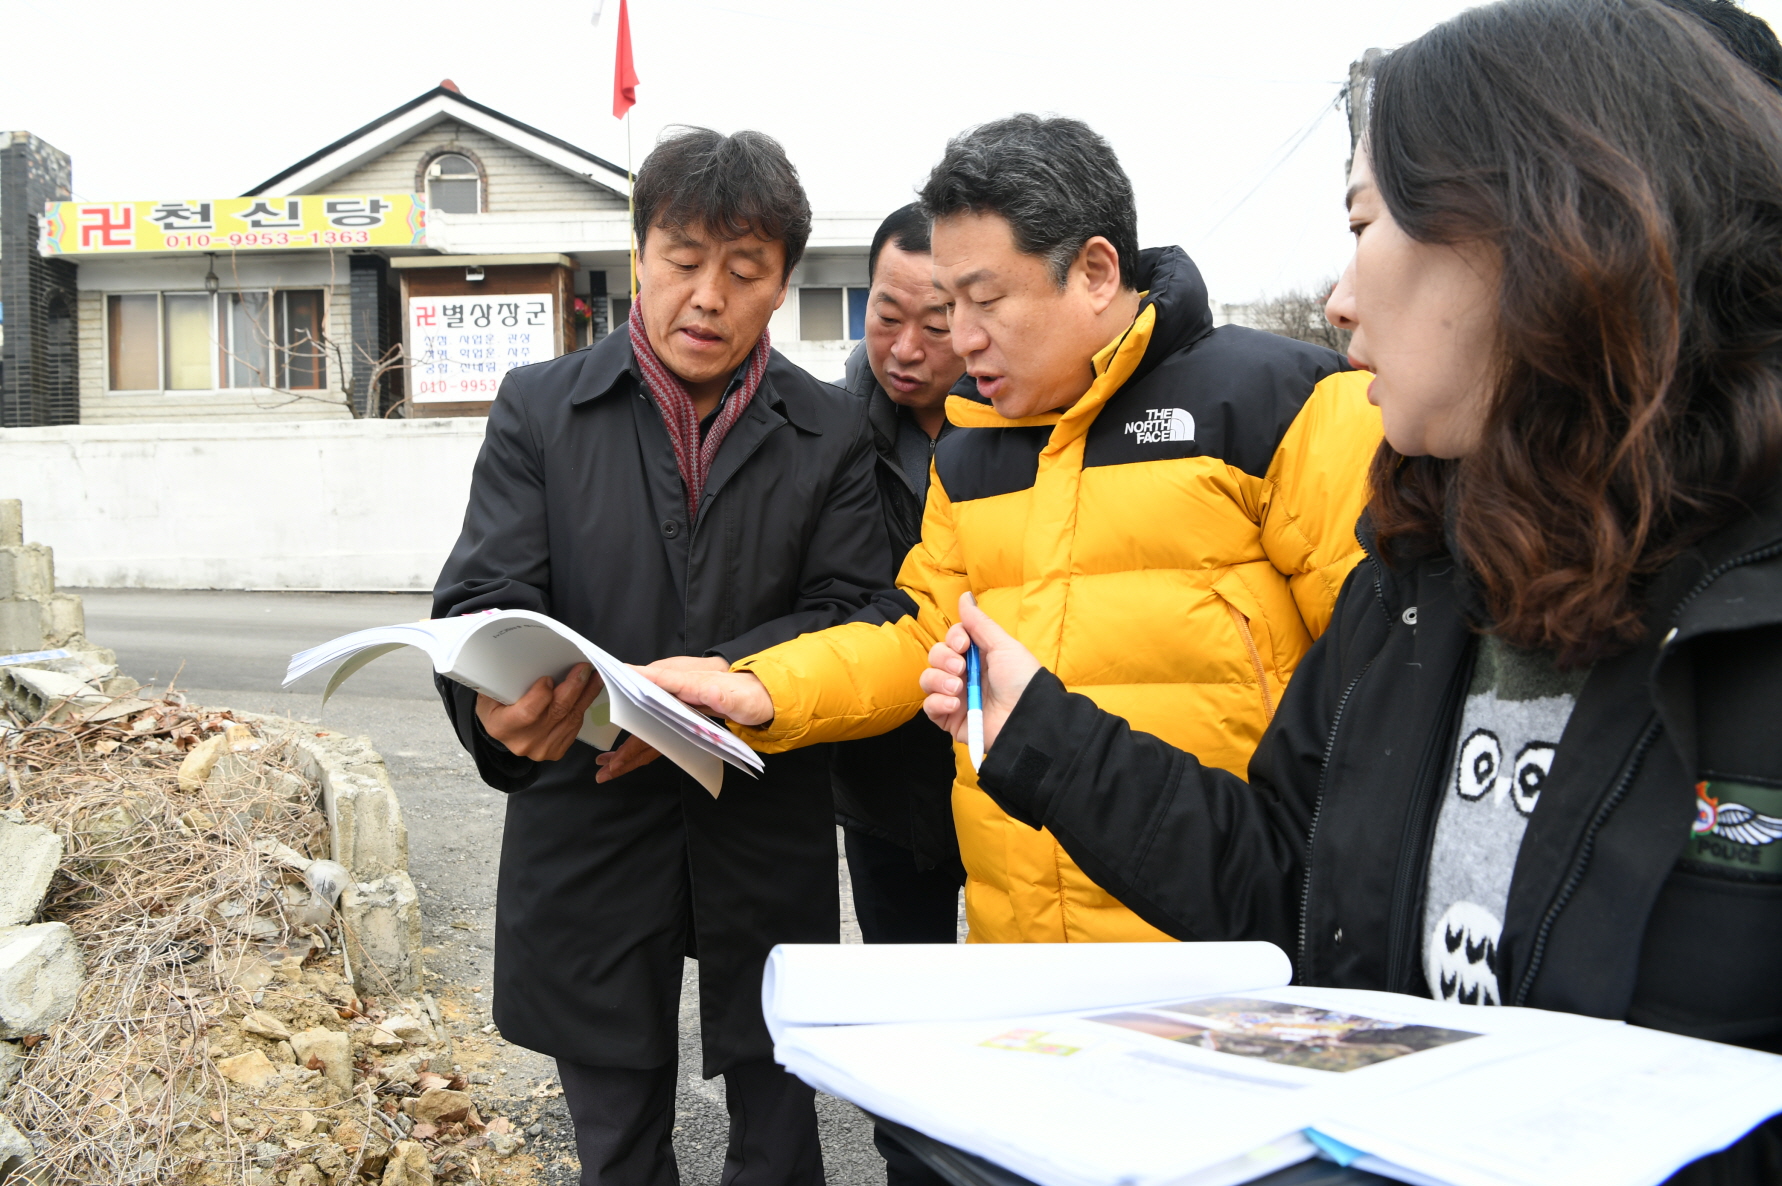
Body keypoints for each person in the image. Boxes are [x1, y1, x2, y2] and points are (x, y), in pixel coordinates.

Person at [915, 0, 1782, 1176]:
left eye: (1368, 222)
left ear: (1555, 232)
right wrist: (1047, 736)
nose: (1336, 299)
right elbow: (1289, 885)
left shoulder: (1746, 624)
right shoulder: (1419, 581)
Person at [649, 116, 1382, 948]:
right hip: (1023, 964)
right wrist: (763, 687)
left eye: (984, 301)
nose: (960, 338)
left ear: (1096, 272)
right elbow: (920, 631)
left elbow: (1389, 686)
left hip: (1227, 955)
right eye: (949, 303)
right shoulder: (970, 454)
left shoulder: (1283, 409)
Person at [432, 127, 892, 1186]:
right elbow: (484, 593)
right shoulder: (541, 410)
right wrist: (496, 707)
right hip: (586, 810)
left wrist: (711, 688)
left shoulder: (827, 430)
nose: (708, 295)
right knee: (617, 1145)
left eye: (745, 270)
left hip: (756, 814)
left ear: (782, 283)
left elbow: (857, 607)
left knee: (779, 1134)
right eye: (683, 259)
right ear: (638, 254)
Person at [832, 205, 973, 1186]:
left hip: (1013, 771)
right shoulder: (826, 436)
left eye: (938, 319)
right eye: (887, 316)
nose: (908, 347)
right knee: (906, 1010)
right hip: (882, 780)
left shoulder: (1023, 421)